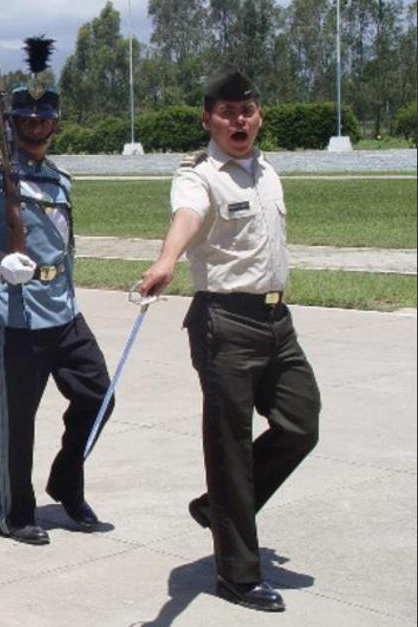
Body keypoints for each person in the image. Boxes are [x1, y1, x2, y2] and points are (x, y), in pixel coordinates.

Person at [138, 65, 321, 613]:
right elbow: (187, 216)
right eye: (227, 112)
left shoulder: (268, 170)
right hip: (226, 322)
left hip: (276, 320)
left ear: (259, 114)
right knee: (230, 447)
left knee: (301, 423)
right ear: (208, 119)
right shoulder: (198, 174)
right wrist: (167, 259)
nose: (239, 120)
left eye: (248, 110)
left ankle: (217, 507)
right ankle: (237, 575)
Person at [0, 37, 114, 546]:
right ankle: (13, 511)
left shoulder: (60, 180)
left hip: (64, 312)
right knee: (17, 421)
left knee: (98, 396)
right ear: (13, 125)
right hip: (19, 317)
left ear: (54, 124)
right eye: (27, 121)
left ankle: (66, 482)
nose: (37, 129)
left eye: (45, 121)